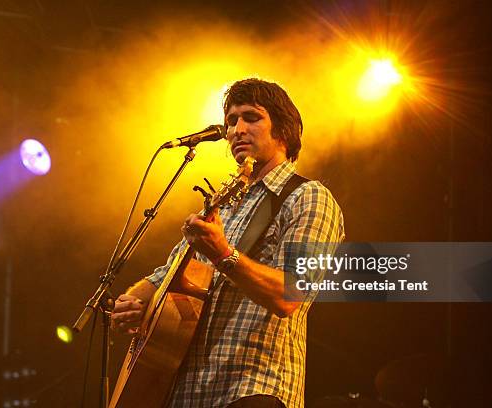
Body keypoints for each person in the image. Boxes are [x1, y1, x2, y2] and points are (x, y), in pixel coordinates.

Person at [111, 78, 345, 408]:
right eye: (231, 121)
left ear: (282, 130)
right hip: (185, 393)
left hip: (251, 388)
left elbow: (289, 296)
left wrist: (222, 252)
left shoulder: (307, 197)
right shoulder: (221, 208)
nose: (237, 129)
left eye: (251, 117)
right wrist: (134, 303)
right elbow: (165, 276)